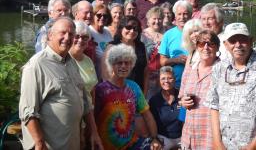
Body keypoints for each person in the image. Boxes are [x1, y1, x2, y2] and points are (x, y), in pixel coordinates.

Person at [19, 17, 102, 150]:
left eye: (71, 34)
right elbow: (27, 112)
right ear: (50, 35)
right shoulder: (36, 65)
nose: (67, 37)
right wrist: (40, 143)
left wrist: (94, 132)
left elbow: (85, 101)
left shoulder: (71, 62)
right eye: (62, 33)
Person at [206, 23, 256, 149]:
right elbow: (214, 106)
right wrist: (217, 143)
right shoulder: (219, 69)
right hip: (225, 145)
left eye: (243, 40)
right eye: (232, 41)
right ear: (225, 44)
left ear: (251, 41)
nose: (238, 45)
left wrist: (255, 144)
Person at [94, 44, 162, 150]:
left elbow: (147, 115)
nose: (123, 66)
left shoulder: (134, 87)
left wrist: (155, 138)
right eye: (119, 63)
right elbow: (92, 118)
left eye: (127, 63)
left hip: (131, 144)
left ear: (131, 66)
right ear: (112, 64)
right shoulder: (101, 90)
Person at [179, 30, 220, 149]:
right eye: (201, 44)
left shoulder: (223, 70)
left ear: (217, 47)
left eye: (210, 44)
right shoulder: (190, 69)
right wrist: (182, 102)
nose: (205, 47)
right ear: (197, 47)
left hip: (210, 137)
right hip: (189, 136)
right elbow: (181, 98)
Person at [69, 21, 102, 150]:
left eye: (84, 37)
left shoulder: (88, 60)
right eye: (76, 36)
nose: (80, 40)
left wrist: (91, 121)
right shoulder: (64, 60)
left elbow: (92, 90)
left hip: (87, 116)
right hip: (72, 119)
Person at [159, 0, 192, 89]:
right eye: (179, 14)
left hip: (194, 83)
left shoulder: (196, 32)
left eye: (185, 14)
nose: (182, 17)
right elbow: (162, 61)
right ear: (175, 16)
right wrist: (175, 60)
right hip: (174, 84)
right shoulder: (168, 35)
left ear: (191, 15)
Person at [149, 66, 182, 150]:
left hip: (182, 137)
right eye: (163, 78)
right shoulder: (154, 100)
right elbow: (151, 122)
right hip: (163, 138)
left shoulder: (182, 96)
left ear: (174, 79)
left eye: (170, 78)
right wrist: (154, 139)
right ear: (159, 81)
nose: (166, 81)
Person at [141, 6, 165, 99]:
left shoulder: (166, 34)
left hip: (162, 74)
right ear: (148, 20)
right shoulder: (143, 35)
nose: (157, 21)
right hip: (147, 74)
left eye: (159, 19)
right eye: (154, 18)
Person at [89, 4, 113, 78]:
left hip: (109, 76)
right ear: (93, 16)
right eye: (99, 15)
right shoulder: (89, 32)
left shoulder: (107, 31)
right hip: (94, 76)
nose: (102, 18)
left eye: (105, 16)